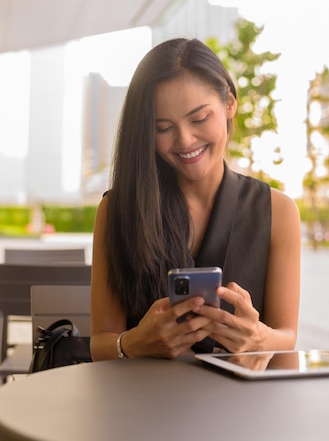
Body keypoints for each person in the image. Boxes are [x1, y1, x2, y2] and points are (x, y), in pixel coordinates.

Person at [90, 37, 300, 361]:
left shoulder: (278, 211)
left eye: (200, 119)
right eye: (163, 128)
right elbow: (101, 343)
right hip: (143, 402)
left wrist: (259, 338)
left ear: (229, 103)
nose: (185, 140)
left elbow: (286, 336)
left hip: (241, 404)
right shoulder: (118, 210)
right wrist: (133, 343)